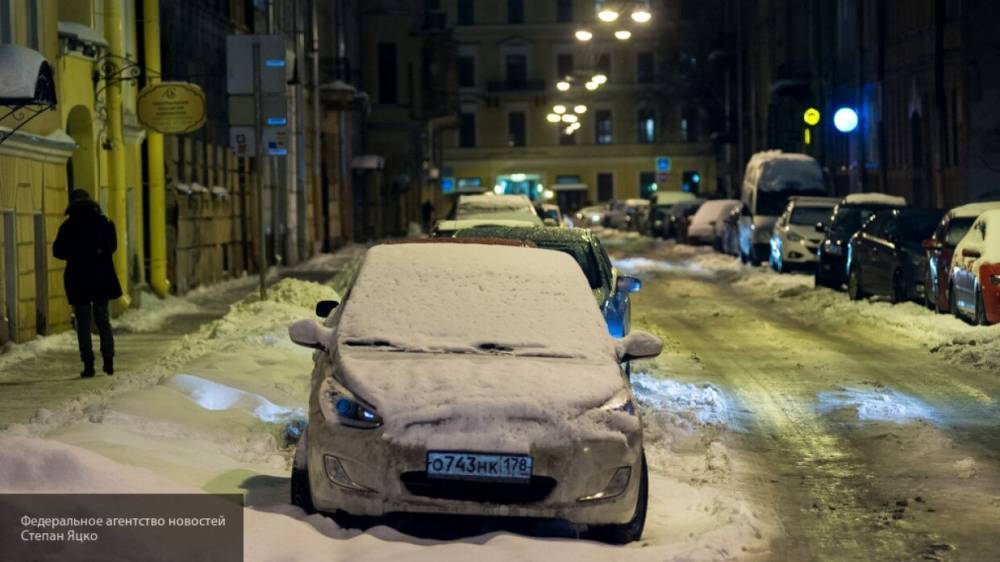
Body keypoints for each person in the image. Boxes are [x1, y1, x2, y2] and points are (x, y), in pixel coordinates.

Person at [53, 189, 122, 378]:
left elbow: (58, 251)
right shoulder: (104, 222)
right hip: (101, 277)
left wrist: (76, 253)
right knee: (102, 319)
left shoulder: (68, 226)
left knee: (83, 322)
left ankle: (88, 364)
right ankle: (108, 361)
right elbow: (113, 246)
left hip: (78, 279)